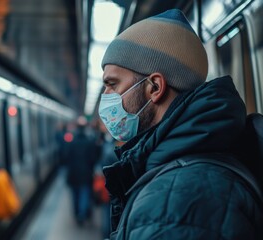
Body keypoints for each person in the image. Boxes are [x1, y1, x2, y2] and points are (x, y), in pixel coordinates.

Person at [98, 9, 263, 239]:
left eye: (112, 84)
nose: (105, 97)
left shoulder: (175, 201)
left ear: (154, 87)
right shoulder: (189, 166)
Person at [65, 116, 97, 226]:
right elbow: (93, 159)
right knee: (84, 194)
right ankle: (82, 214)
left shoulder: (71, 142)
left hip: (73, 174)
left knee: (75, 195)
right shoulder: (89, 142)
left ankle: (77, 213)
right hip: (86, 174)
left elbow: (66, 157)